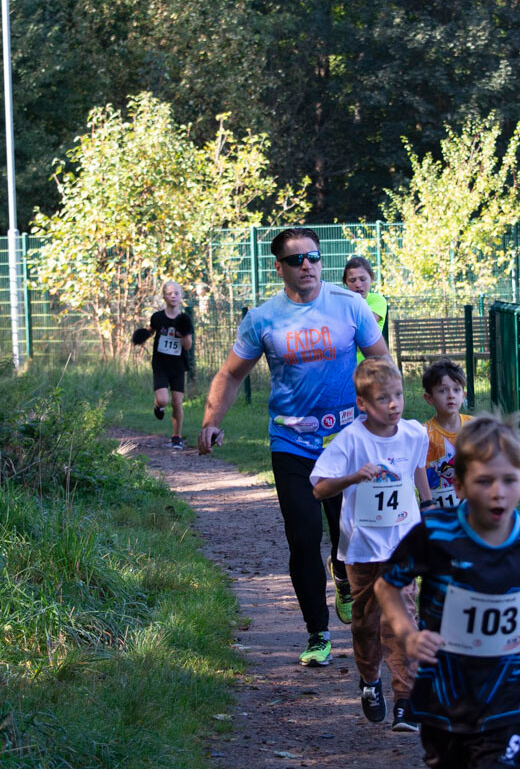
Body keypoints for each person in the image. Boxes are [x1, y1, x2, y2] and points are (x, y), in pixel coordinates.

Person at [197, 227, 390, 667]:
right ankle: (317, 633)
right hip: (292, 442)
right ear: (278, 267)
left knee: (349, 533)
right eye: (296, 259)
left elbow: (380, 361)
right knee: (302, 537)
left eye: (314, 257)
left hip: (346, 441)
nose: (307, 265)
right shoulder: (263, 318)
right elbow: (231, 374)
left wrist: (386, 417)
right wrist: (211, 422)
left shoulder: (350, 305)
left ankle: (343, 575)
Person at [376, 414, 520, 768]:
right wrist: (408, 635)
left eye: (509, 480)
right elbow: (386, 585)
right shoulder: (436, 534)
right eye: (484, 481)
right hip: (444, 696)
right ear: (459, 486)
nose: (498, 492)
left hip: (511, 696)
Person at [310, 356, 432, 731]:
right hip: (361, 548)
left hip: (402, 545)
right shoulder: (350, 440)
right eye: (383, 398)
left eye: (398, 395)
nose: (394, 405)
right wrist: (352, 478)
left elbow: (417, 467)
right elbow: (319, 489)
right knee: (366, 623)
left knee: (402, 619)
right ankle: (369, 680)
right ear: (362, 403)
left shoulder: (414, 434)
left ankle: (405, 701)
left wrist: (428, 505)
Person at [422, 359, 520, 510]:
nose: (451, 395)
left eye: (456, 390)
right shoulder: (422, 433)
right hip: (437, 511)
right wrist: (427, 502)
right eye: (443, 390)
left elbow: (503, 452)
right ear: (429, 398)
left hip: (476, 508)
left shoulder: (475, 426)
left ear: (463, 395)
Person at [132, 281, 195, 449]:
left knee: (177, 402)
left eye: (176, 293)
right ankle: (157, 406)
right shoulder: (157, 317)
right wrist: (142, 336)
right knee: (163, 400)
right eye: (169, 293)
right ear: (164, 297)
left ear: (181, 297)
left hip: (178, 366)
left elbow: (188, 346)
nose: (173, 296)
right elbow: (151, 330)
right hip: (160, 364)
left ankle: (176, 436)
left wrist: (183, 334)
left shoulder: (185, 319)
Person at [343, 256, 388, 362]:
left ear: (371, 278)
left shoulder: (377, 300)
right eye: (352, 280)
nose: (358, 285)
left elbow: (364, 323)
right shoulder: (342, 303)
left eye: (363, 279)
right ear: (345, 282)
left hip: (371, 365)